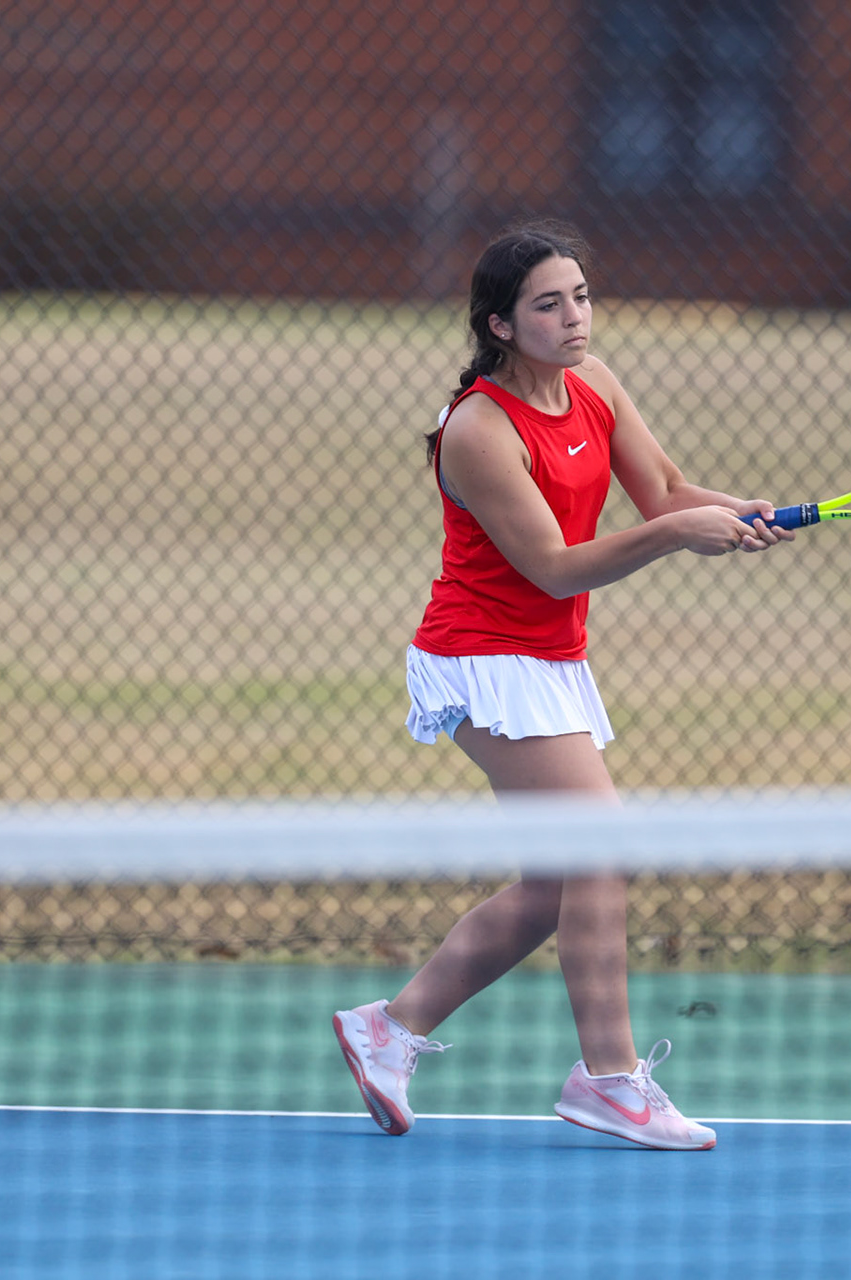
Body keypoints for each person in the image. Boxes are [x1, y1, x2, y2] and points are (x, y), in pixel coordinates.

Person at [332, 219, 795, 1152]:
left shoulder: (596, 384)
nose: (574, 316)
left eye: (580, 295)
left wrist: (725, 511)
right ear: (500, 325)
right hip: (480, 658)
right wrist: (676, 536)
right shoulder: (477, 430)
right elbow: (553, 567)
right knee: (601, 848)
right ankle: (609, 1079)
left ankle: (391, 1028)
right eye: (548, 304)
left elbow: (663, 489)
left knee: (559, 883)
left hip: (549, 660)